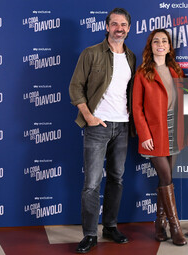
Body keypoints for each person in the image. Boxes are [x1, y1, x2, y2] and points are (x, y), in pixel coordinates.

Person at [69, 8, 136, 254]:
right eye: (115, 24)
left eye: (124, 24)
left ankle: (110, 227)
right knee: (92, 184)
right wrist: (89, 117)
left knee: (117, 179)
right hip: (98, 126)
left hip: (123, 126)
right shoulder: (91, 53)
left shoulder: (131, 57)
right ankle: (89, 234)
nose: (120, 28)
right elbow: (75, 87)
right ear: (107, 26)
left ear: (129, 28)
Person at [132, 29, 187, 246]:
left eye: (165, 41)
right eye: (156, 41)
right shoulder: (143, 72)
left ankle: (159, 223)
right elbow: (136, 108)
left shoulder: (176, 70)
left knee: (166, 179)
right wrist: (144, 134)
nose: (161, 44)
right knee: (166, 178)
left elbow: (184, 102)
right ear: (150, 46)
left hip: (175, 128)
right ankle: (175, 227)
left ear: (169, 46)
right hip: (154, 132)